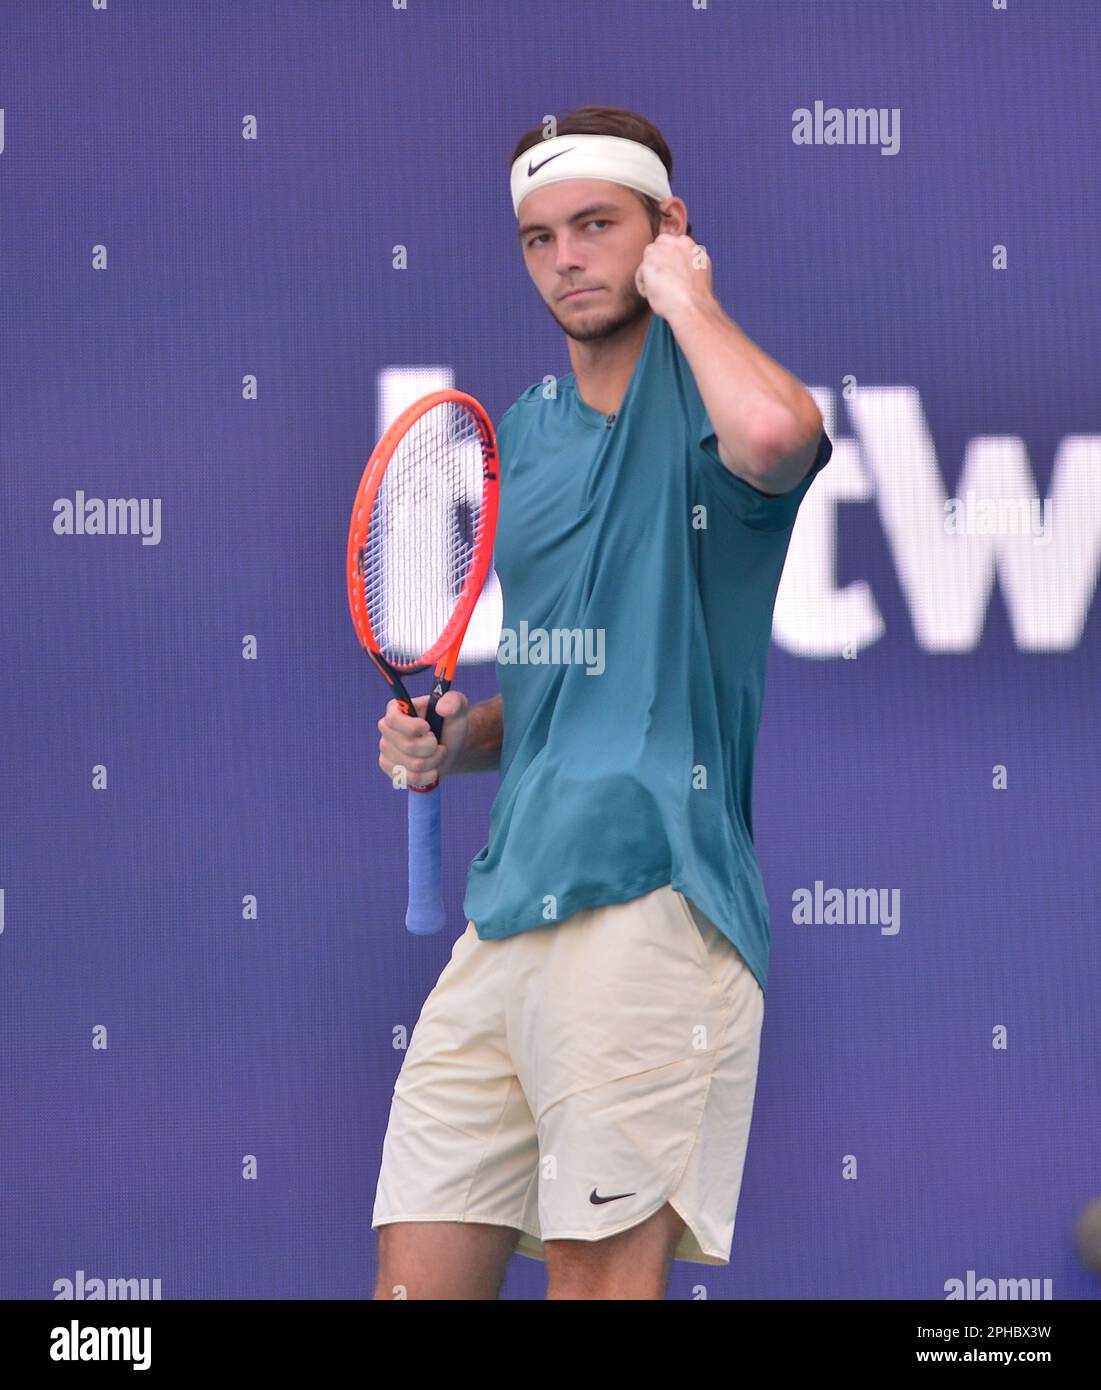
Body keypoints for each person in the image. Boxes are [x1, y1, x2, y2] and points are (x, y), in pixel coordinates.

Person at [371, 105, 832, 1301]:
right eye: (538, 238)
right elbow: (555, 684)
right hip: (504, 918)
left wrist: (687, 296)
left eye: (597, 226)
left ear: (665, 227)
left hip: (653, 910)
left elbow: (782, 436)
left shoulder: (717, 402)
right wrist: (455, 738)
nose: (566, 259)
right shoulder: (521, 433)